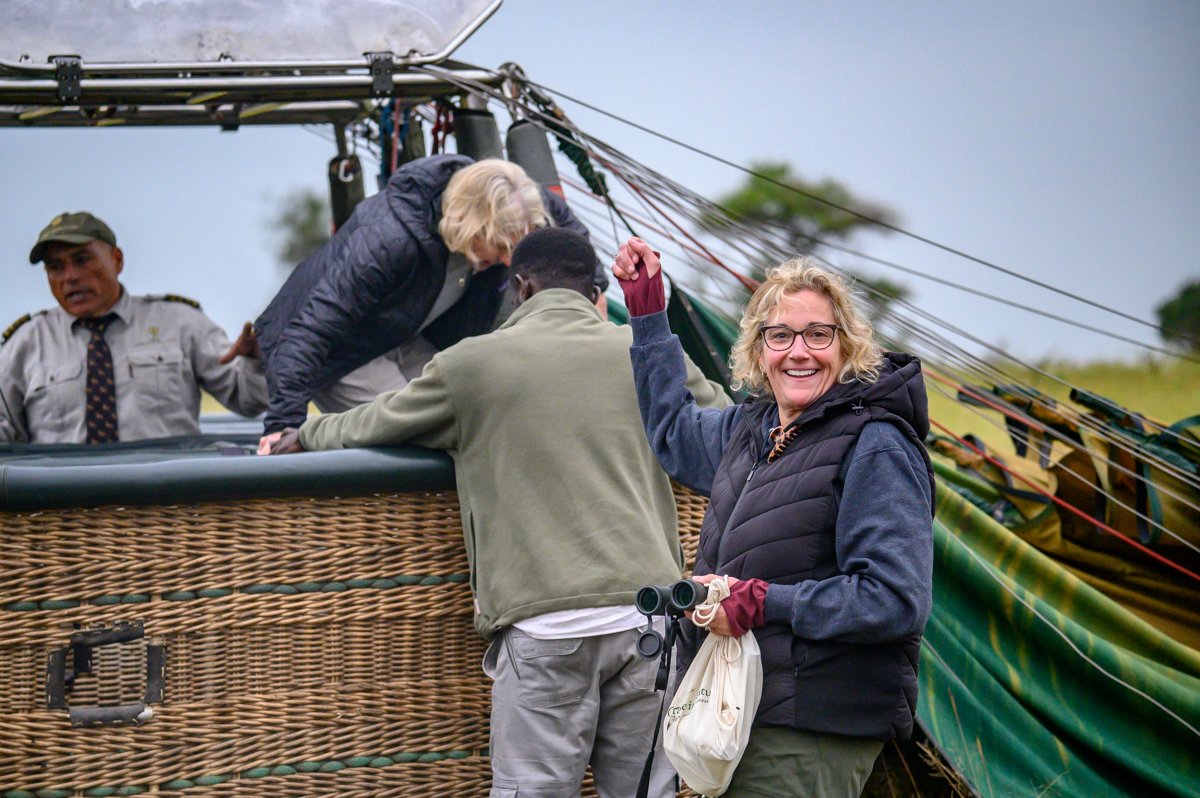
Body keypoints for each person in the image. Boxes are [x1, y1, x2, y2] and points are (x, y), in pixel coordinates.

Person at [268, 227, 731, 797]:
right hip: (650, 619)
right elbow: (724, 425)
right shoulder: (646, 354)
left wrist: (301, 436)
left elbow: (368, 423)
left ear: (519, 288)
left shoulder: (471, 366)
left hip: (544, 627)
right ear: (595, 294)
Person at [613, 237, 934, 798]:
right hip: (747, 711)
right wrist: (648, 315)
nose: (798, 352)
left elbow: (895, 600)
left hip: (813, 724)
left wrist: (762, 602)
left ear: (847, 346)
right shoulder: (753, 432)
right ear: (759, 351)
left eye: (818, 334)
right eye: (780, 336)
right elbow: (672, 431)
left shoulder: (875, 444)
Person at [254, 154, 606, 448]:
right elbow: (310, 327)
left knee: (472, 410)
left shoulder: (515, 203)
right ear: (470, 225)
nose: (504, 261)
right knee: (421, 429)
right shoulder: (388, 240)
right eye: (498, 248)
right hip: (339, 349)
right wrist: (283, 424)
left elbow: (576, 252)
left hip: (403, 333)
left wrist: (592, 306)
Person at [0, 211, 267, 444]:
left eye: (82, 260)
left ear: (117, 260)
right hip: (61, 498)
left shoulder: (179, 323)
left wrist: (256, 359)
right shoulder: (25, 345)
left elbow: (250, 401)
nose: (70, 276)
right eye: (55, 267)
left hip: (168, 497)